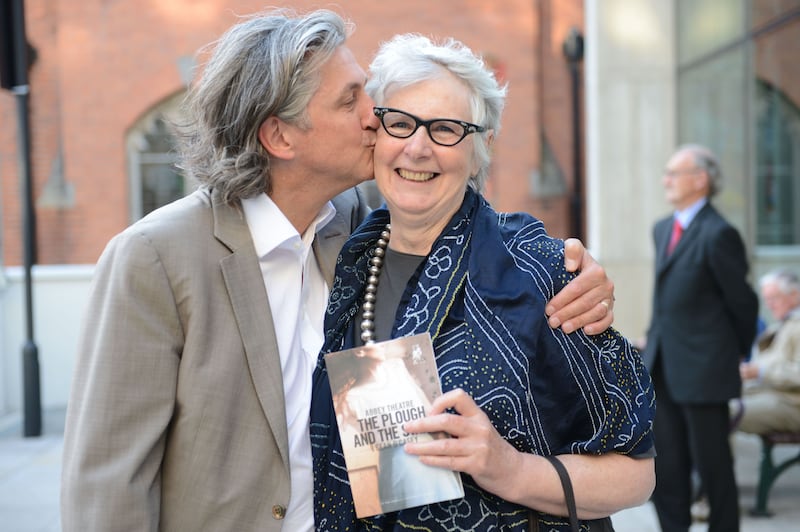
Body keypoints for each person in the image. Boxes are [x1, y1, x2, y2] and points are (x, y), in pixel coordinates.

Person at [60, 9, 616, 532]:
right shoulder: (156, 258)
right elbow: (108, 488)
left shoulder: (362, 228)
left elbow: (472, 228)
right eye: (351, 100)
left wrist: (569, 268)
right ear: (280, 137)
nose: (375, 116)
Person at [310, 33, 656, 531]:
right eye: (401, 123)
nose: (418, 147)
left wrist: (510, 469)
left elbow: (636, 472)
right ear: (375, 133)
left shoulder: (540, 272)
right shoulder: (345, 258)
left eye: (446, 129)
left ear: (482, 147)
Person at [642, 144, 759, 532]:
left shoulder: (719, 233)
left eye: (674, 173)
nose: (666, 180)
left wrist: (735, 355)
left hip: (705, 372)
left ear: (700, 179)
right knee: (666, 466)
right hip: (662, 367)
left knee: (713, 470)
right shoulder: (662, 229)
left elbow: (743, 304)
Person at [734, 269, 800, 434]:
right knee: (708, 403)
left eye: (774, 298)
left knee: (719, 412)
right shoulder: (782, 324)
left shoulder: (795, 324)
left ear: (794, 295)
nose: (770, 305)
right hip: (772, 396)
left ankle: (713, 460)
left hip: (791, 403)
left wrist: (760, 372)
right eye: (767, 300)